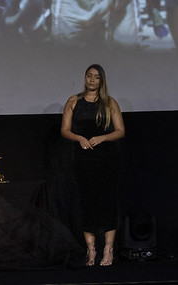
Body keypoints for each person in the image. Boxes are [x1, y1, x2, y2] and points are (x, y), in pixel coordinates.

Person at [59, 64, 126, 267]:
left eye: (96, 77)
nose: (92, 80)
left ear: (101, 80)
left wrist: (103, 137)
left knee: (107, 202)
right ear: (85, 78)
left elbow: (120, 130)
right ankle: (91, 249)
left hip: (106, 160)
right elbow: (65, 130)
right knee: (86, 203)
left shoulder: (109, 102)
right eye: (89, 76)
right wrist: (79, 138)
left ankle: (108, 249)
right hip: (82, 160)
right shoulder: (74, 101)